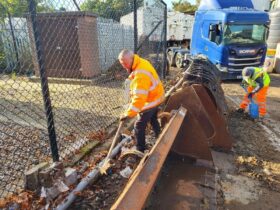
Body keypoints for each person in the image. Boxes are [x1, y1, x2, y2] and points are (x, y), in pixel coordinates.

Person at [118, 49, 165, 153]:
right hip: (157, 95)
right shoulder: (140, 62)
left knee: (139, 125)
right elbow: (135, 74)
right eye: (122, 64)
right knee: (152, 118)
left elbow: (139, 99)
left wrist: (128, 114)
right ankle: (160, 135)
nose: (124, 66)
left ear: (131, 58)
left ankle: (140, 149)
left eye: (125, 63)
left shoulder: (140, 75)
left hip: (152, 100)